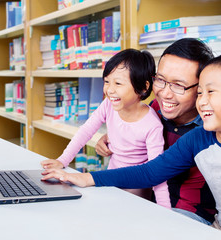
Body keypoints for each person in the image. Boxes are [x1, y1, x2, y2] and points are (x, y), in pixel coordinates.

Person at [42, 52, 221, 239]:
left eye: (211, 92)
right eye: (201, 93)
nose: (202, 101)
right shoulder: (197, 139)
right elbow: (149, 172)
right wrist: (83, 177)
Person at [96, 38, 217, 225]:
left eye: (178, 85)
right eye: (160, 80)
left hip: (190, 213)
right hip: (147, 203)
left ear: (202, 89)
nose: (165, 93)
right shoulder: (152, 109)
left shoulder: (214, 127)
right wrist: (114, 137)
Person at [41, 48, 170, 208]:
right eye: (107, 81)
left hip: (135, 198)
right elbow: (86, 131)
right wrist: (63, 160)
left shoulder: (152, 125)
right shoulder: (108, 105)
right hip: (108, 184)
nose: (109, 90)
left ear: (143, 87)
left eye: (118, 83)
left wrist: (166, 211)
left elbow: (157, 173)